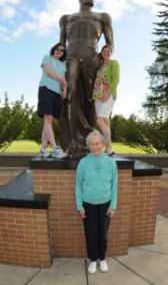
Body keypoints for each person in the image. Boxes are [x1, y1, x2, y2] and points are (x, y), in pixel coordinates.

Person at [59, 0, 114, 157]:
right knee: (69, 93)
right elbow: (61, 43)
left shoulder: (103, 17)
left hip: (92, 58)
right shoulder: (66, 18)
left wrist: (101, 60)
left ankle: (91, 141)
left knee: (91, 99)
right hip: (71, 57)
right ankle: (71, 143)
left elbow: (110, 44)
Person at [75, 130, 118, 274]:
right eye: (92, 144)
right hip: (88, 204)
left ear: (103, 144)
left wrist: (113, 206)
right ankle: (93, 259)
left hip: (105, 204)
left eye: (97, 143)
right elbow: (78, 185)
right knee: (91, 234)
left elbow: (114, 185)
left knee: (103, 234)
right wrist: (79, 206)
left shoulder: (111, 163)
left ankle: (102, 258)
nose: (95, 147)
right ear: (88, 146)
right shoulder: (83, 162)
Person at [37, 42, 68, 158]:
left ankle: (43, 149)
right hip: (46, 89)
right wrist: (62, 81)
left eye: (62, 51)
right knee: (48, 118)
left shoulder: (63, 64)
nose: (59, 52)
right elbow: (49, 72)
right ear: (54, 49)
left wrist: (64, 89)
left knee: (48, 121)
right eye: (58, 49)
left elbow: (64, 79)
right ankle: (55, 148)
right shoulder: (47, 58)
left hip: (57, 93)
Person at [93, 44, 120, 156]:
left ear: (111, 53)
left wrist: (107, 93)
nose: (106, 53)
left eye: (108, 51)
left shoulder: (114, 63)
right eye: (104, 51)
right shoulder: (100, 66)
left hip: (107, 94)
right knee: (105, 120)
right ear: (102, 53)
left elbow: (116, 79)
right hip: (97, 95)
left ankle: (108, 147)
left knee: (99, 119)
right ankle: (109, 148)